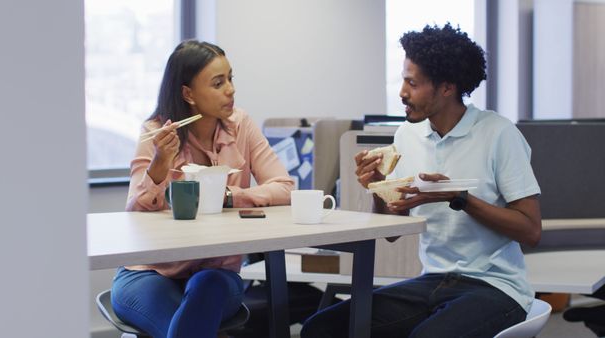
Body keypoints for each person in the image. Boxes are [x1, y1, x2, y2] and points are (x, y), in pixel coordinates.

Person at [301, 23, 542, 338]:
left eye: (412, 83)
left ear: (446, 87)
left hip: (496, 286)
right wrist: (378, 187)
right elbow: (392, 232)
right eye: (403, 80)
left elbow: (531, 230)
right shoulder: (408, 135)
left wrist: (460, 199)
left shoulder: (498, 133)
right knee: (321, 328)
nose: (402, 92)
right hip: (433, 280)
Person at [111, 40, 294, 338]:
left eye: (230, 79)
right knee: (191, 328)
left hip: (216, 274)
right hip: (148, 272)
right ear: (188, 94)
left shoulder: (241, 125)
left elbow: (284, 187)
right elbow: (135, 213)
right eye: (218, 83)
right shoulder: (156, 131)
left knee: (206, 290)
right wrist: (160, 163)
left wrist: (231, 197)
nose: (231, 90)